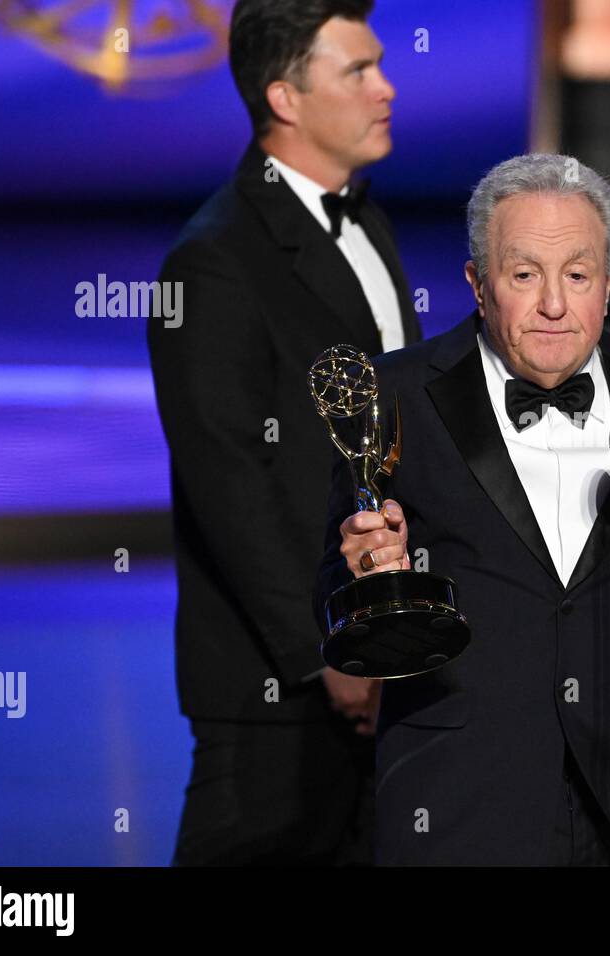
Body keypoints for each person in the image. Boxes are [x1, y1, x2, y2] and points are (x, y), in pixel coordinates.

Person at [314, 153, 610, 865]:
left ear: (608, 283)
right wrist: (361, 576)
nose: (553, 306)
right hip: (459, 805)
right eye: (523, 275)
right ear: (479, 285)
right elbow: (330, 580)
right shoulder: (397, 395)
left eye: (576, 275)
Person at [147, 0, 421, 865]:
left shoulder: (364, 219)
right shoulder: (214, 262)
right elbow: (227, 483)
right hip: (278, 687)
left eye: (380, 64)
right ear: (286, 98)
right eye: (359, 71)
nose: (386, 88)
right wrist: (322, 656)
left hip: (387, 663)